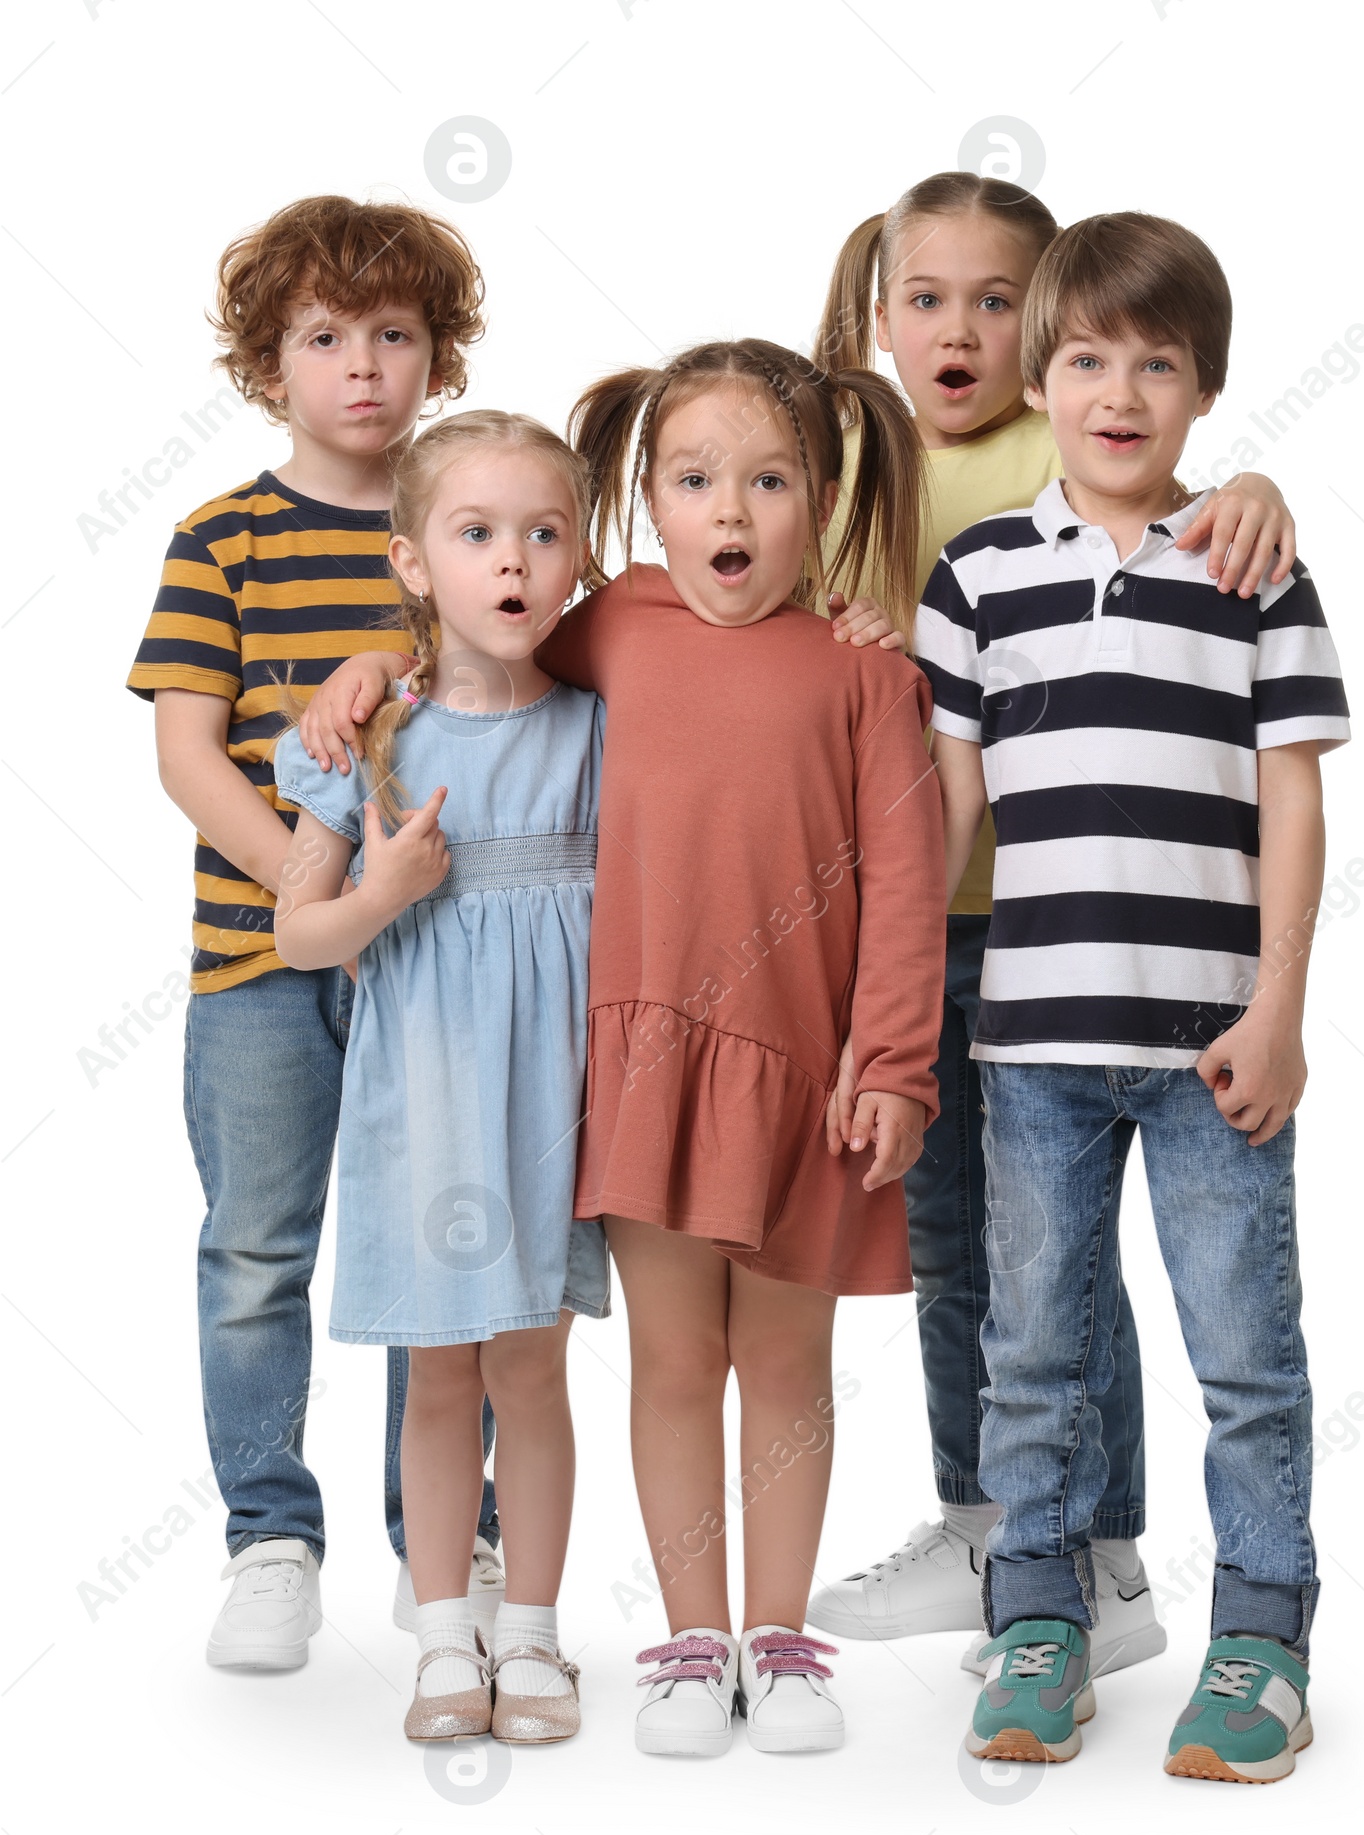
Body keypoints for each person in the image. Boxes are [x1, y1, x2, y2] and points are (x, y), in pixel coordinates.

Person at [299, 338, 946, 1757]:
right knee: (668, 1362)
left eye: (770, 482)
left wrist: (894, 1057)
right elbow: (482, 643)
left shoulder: (863, 671)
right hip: (643, 1074)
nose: (732, 513)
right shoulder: (617, 626)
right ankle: (687, 1638)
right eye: (697, 479)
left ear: (823, 493)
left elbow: (910, 876)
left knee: (784, 1362)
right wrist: (368, 667)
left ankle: (779, 1638)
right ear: (645, 499)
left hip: (809, 1073)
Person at [805, 171, 1300, 1684]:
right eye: (924, 297)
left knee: (1089, 1284)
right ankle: (997, 1532)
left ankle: (1099, 1549)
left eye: (996, 300)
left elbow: (1162, 476)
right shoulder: (853, 458)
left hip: (1079, 936)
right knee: (987, 1263)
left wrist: (1255, 488)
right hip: (955, 934)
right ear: (877, 314)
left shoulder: (1082, 447)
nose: (960, 329)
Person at [919, 212, 1347, 1780]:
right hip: (1027, 1041)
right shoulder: (978, 576)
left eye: (1156, 363)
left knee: (1245, 1348)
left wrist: (1280, 1005)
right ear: (1042, 376)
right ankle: (1039, 1619)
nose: (1119, 390)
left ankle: (1262, 1638)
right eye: (1088, 357)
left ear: (1204, 388)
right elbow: (947, 815)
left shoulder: (1253, 568)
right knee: (1031, 1344)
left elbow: (1291, 801)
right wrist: (892, 996)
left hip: (1211, 1045)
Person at [125, 196, 504, 1669]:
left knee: (441, 1251)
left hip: (444, 971)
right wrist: (317, 898)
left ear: (439, 355)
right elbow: (188, 753)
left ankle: (443, 1534)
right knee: (256, 1251)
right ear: (266, 362)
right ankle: (271, 1536)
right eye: (325, 337)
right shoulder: (221, 538)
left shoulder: (465, 525)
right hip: (259, 970)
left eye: (396, 335)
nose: (364, 367)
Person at [273, 412, 606, 1742]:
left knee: (530, 1368)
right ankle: (437, 1639)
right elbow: (299, 929)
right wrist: (385, 887)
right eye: (476, 535)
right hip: (422, 1094)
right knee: (437, 1374)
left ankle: (531, 1635)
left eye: (544, 532)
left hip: (549, 1096)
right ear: (415, 562)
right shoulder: (370, 741)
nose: (512, 561)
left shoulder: (596, 727)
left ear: (580, 559)